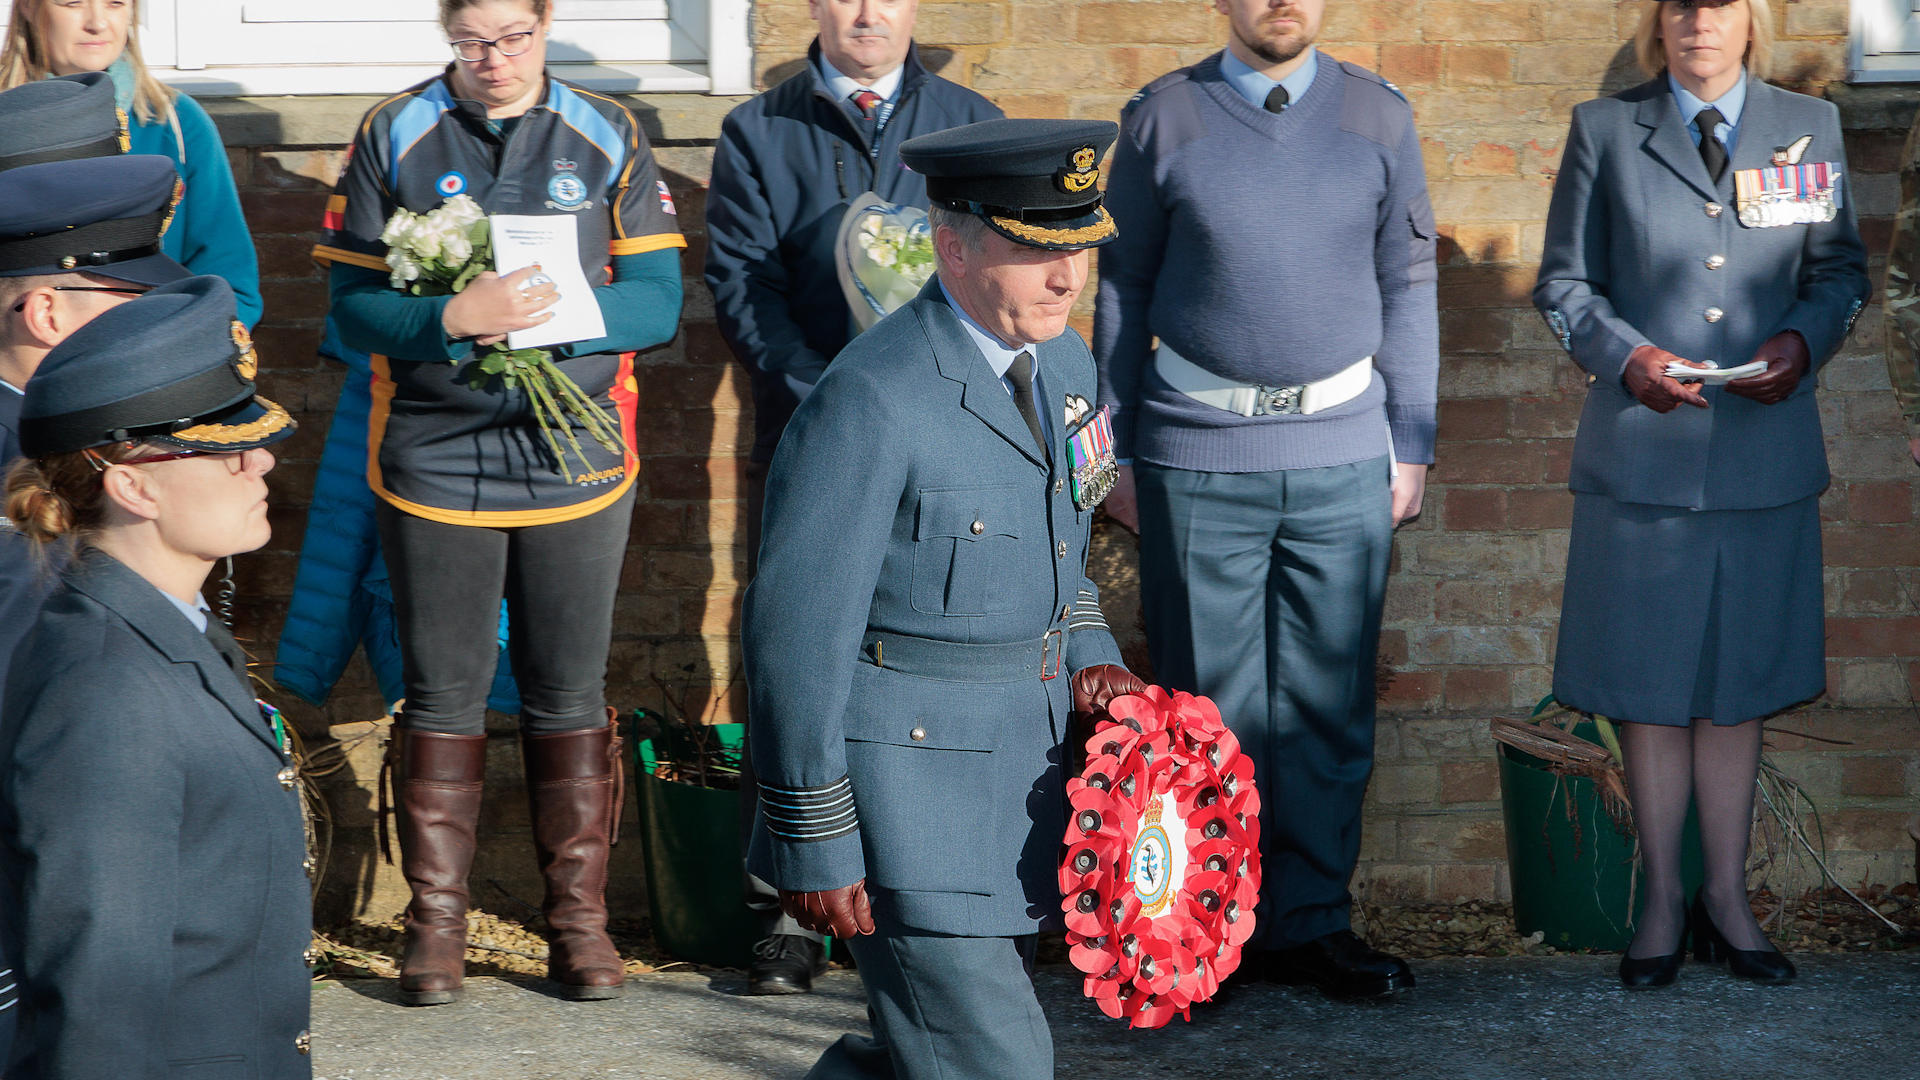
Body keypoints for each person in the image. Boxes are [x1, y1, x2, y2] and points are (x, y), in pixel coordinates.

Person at [745, 116, 1144, 1080]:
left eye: (1080, 250)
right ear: (952, 246)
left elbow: (1063, 552)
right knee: (991, 1062)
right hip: (906, 802)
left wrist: (1094, 658)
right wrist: (813, 832)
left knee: (922, 1056)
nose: (1067, 278)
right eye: (1035, 251)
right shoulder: (873, 397)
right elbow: (797, 634)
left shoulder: (1065, 365)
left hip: (1025, 784)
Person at [313, 0, 685, 1005]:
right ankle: (435, 926)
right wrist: (453, 315)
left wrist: (547, 319)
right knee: (443, 695)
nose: (493, 59)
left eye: (514, 36)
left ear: (546, 23)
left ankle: (578, 926)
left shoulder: (608, 130)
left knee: (568, 692)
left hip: (579, 453)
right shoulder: (393, 130)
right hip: (433, 458)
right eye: (472, 41)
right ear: (448, 34)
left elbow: (659, 302)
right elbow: (353, 311)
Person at [1093, 0, 1433, 999]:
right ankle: (1211, 934)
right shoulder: (1161, 118)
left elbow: (1409, 279)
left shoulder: (1378, 115)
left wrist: (1411, 440)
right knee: (1207, 712)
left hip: (1343, 452)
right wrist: (1113, 450)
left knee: (1329, 710)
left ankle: (1312, 924)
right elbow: (1122, 287)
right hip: (1197, 453)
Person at [1534, 0, 1868, 988]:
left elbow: (1841, 271)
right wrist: (1625, 356)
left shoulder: (1809, 126)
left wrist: (1802, 341)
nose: (1699, 20)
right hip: (1643, 456)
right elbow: (1564, 283)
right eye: (1680, 2)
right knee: (1649, 685)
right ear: (1659, 20)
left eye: (1719, 2)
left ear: (1750, 18)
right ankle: (1662, 903)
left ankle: (1728, 898)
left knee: (1738, 685)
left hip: (1764, 455)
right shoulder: (1606, 129)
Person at [702, 0, 1001, 994]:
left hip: (954, 440)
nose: (867, 10)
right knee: (796, 656)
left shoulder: (971, 122)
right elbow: (742, 287)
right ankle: (787, 907)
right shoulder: (758, 130)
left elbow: (1003, 276)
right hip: (810, 435)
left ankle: (939, 887)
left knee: (942, 651)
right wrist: (839, 398)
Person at [0, 275, 309, 1078]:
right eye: (225, 449)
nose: (261, 461)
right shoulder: (107, 693)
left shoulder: (167, 628)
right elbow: (97, 995)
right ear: (133, 486)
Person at [1, 0, 262, 326]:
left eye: (115, 3)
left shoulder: (178, 124)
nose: (97, 23)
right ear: (28, 7)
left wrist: (163, 350)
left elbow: (231, 286)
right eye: (73, 2)